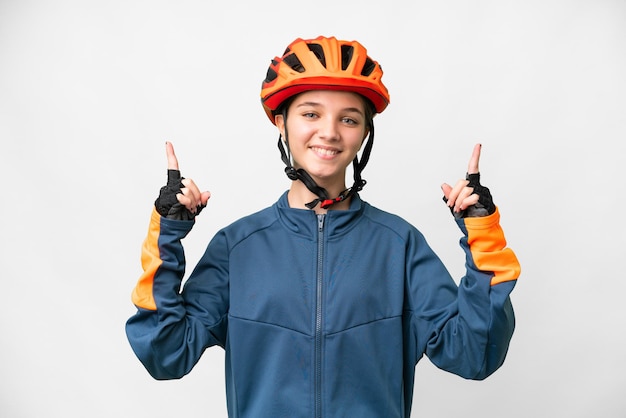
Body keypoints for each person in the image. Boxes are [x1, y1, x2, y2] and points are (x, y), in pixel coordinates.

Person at [126, 35, 521, 418]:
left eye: (348, 119)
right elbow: (165, 353)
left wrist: (481, 231)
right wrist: (168, 232)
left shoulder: (399, 245)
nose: (329, 132)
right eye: (311, 113)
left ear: (364, 132)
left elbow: (474, 354)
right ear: (281, 123)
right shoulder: (237, 246)